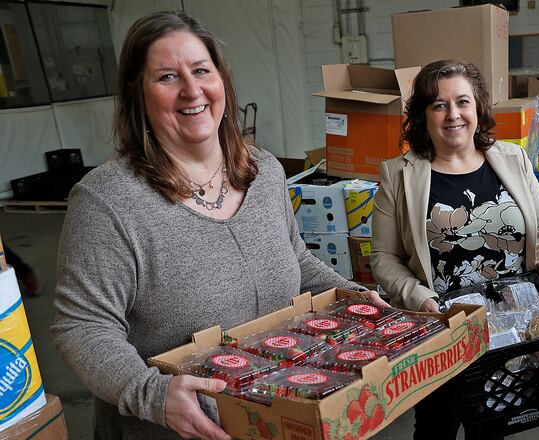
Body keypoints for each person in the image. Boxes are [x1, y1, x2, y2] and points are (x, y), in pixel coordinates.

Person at [51, 11, 384, 440]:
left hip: (277, 409)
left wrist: (357, 298)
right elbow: (82, 325)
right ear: (137, 93)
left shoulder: (262, 170)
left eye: (201, 70)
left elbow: (297, 260)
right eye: (168, 77)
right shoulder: (109, 202)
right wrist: (150, 393)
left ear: (221, 79)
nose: (192, 90)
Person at [369, 59, 539, 439]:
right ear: (423, 116)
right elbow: (383, 256)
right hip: (443, 328)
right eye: (439, 105)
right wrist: (421, 297)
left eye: (462, 102)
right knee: (436, 427)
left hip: (509, 324)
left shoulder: (513, 159)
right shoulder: (398, 174)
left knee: (493, 422)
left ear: (478, 107)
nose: (453, 115)